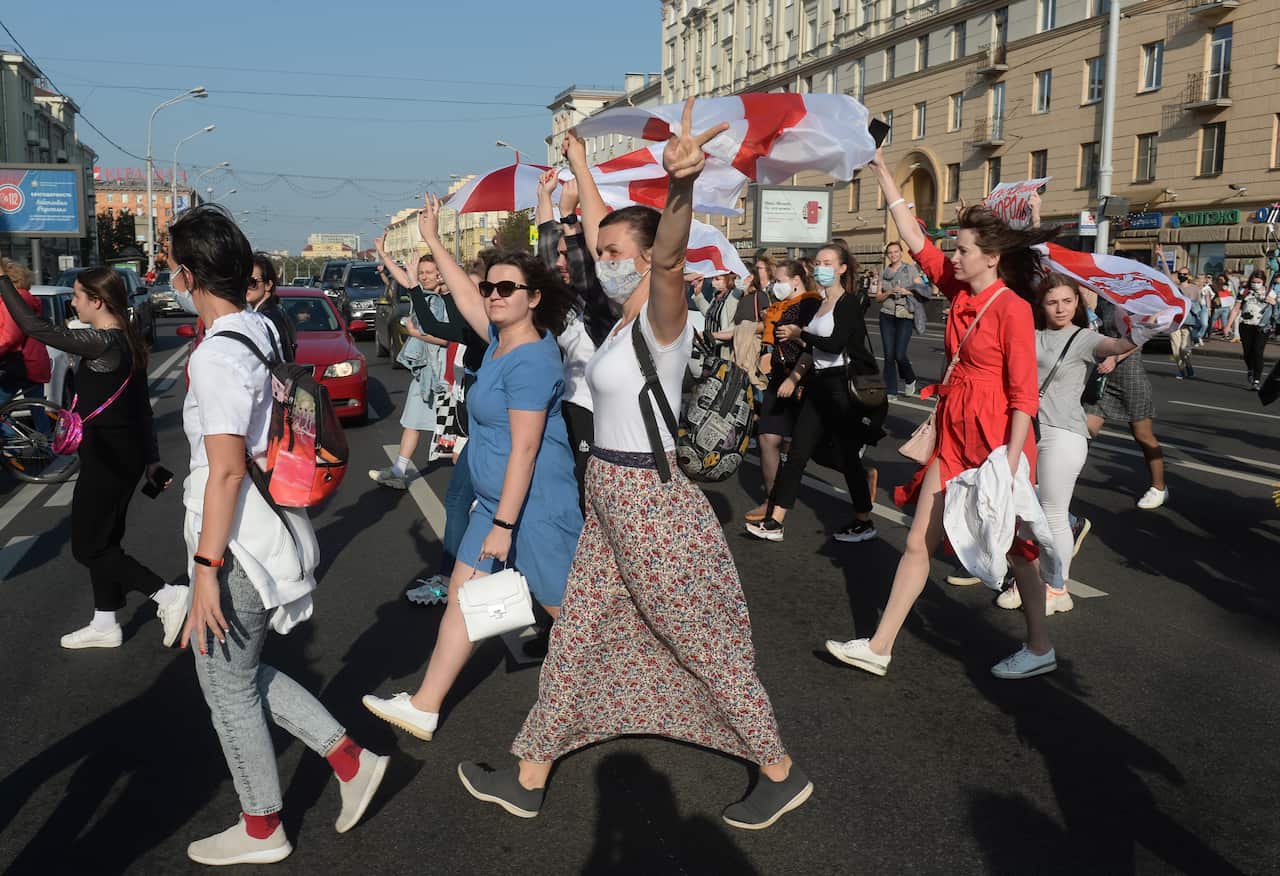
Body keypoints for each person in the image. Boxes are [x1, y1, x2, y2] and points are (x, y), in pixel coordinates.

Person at [458, 103, 812, 831]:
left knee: (701, 642)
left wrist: (678, 188)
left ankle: (779, 769)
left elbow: (671, 257)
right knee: (578, 635)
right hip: (610, 496)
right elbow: (597, 228)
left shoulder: (663, 319)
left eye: (619, 253)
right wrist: (583, 168)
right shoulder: (617, 321)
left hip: (649, 502)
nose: (605, 259)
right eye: (605, 251)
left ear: (646, 259)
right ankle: (529, 776)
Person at [171, 205, 387, 865]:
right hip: (267, 525)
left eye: (170, 264)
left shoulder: (217, 354)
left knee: (225, 685)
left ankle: (263, 827)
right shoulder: (259, 327)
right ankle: (350, 760)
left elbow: (228, 470)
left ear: (186, 273)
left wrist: (205, 570)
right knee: (236, 673)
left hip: (237, 542)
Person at [825, 147, 1058, 681]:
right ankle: (880, 646)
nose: (954, 257)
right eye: (955, 249)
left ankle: (1040, 646)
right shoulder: (959, 292)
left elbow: (1024, 395)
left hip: (997, 439)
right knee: (915, 541)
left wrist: (1014, 463)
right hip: (954, 433)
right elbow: (915, 240)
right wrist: (886, 177)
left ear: (991, 257)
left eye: (965, 250)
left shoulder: (1013, 309)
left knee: (1018, 549)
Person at [362, 194, 583, 742]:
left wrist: (505, 527)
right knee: (463, 598)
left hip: (532, 509)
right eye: (491, 287)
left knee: (571, 615)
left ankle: (639, 686)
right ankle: (425, 703)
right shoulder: (501, 343)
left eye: (507, 288)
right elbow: (464, 297)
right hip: (498, 503)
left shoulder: (531, 357)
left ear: (533, 299)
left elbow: (527, 450)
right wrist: (435, 239)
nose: (493, 295)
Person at [2, 268, 184, 650]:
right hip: (123, 455)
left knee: (89, 548)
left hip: (109, 458)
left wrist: (3, 284)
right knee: (106, 541)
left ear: (97, 301)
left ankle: (168, 596)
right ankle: (105, 622)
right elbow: (142, 411)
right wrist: (151, 460)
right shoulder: (126, 343)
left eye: (78, 296)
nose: (73, 302)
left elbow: (36, 329)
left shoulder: (103, 343)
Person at [996, 275, 1136, 614]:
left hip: (1064, 434)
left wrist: (1145, 327)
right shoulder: (1032, 336)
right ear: (1041, 306)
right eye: (1052, 302)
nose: (1060, 308)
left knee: (1053, 514)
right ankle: (1028, 579)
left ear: (1077, 304)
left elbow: (1120, 347)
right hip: (1030, 432)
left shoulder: (1084, 337)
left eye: (1067, 302)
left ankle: (1058, 588)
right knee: (1024, 511)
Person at [745, 244, 885, 544]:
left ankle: (863, 519)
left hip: (842, 389)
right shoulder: (820, 304)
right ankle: (775, 521)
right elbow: (811, 351)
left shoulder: (848, 304)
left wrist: (800, 334)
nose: (821, 267)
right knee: (796, 454)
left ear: (842, 268)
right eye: (818, 262)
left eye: (828, 262)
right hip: (819, 385)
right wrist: (795, 376)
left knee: (847, 457)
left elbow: (833, 344)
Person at [744, 260, 823, 523]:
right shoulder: (778, 307)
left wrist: (794, 373)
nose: (775, 285)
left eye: (780, 280)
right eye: (775, 281)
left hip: (803, 378)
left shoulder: (810, 304)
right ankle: (772, 500)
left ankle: (860, 474)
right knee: (767, 438)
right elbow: (772, 336)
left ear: (796, 280)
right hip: (778, 377)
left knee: (818, 445)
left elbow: (813, 346)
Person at [369, 241, 450, 489]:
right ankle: (399, 470)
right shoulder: (420, 296)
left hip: (443, 373)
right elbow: (405, 279)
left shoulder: (447, 301)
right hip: (425, 370)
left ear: (441, 274)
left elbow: (447, 338)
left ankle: (476, 485)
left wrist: (416, 335)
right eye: (421, 273)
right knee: (412, 420)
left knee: (455, 430)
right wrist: (384, 254)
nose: (424, 277)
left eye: (429, 272)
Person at [1082, 291, 1168, 510]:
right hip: (1103, 375)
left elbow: (1140, 338)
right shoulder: (1103, 299)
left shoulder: (1138, 302)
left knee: (1143, 435)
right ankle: (1062, 482)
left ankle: (1159, 487)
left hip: (1130, 375)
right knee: (1084, 432)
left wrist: (1115, 357)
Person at [876, 240, 929, 396]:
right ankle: (891, 390)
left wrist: (908, 292)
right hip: (886, 315)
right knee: (888, 355)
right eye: (890, 252)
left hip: (905, 315)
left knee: (899, 354)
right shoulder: (884, 272)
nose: (893, 255)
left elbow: (924, 290)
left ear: (900, 253)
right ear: (887, 255)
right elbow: (878, 298)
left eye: (896, 252)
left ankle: (910, 378)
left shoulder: (910, 270)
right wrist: (889, 292)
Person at [0, 258, 51, 402]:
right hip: (34, 362)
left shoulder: (15, 301)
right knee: (37, 410)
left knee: (3, 409)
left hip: (21, 363)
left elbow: (10, 336)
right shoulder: (28, 299)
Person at [1226, 270, 1276, 390]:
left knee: (1258, 352)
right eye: (1253, 282)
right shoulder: (1244, 291)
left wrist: (1272, 301)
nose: (1256, 284)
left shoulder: (1270, 292)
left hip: (1262, 326)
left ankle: (1256, 380)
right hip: (1246, 325)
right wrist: (1228, 325)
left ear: (1263, 281)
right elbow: (1236, 309)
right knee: (1248, 352)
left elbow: (1276, 307)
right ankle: (1250, 369)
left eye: (1258, 282)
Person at [247, 253, 296, 362]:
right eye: (242, 281)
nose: (246, 287)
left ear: (268, 285)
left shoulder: (264, 319)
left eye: (251, 282)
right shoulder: (278, 311)